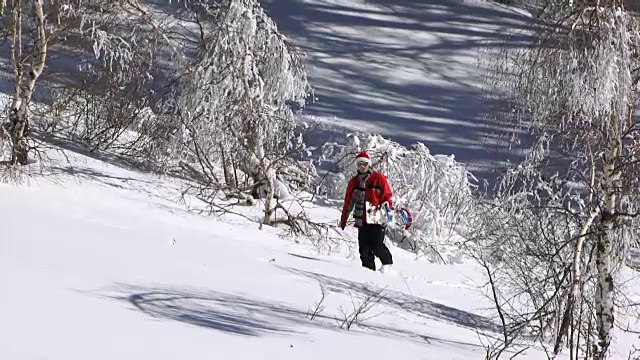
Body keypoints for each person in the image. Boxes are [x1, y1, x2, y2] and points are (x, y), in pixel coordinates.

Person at [339, 151, 394, 273]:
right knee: (364, 251)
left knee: (377, 247)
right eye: (359, 164)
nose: (362, 166)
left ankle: (388, 266)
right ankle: (369, 275)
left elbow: (387, 197)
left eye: (364, 163)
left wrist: (388, 210)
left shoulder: (379, 179)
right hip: (362, 219)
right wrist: (344, 219)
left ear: (368, 164)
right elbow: (348, 202)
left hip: (377, 217)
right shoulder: (354, 182)